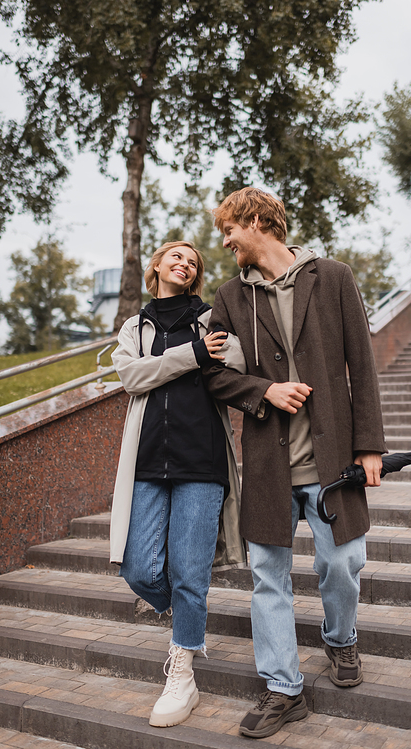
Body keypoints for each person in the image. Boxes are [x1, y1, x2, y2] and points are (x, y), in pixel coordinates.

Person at [202, 187, 387, 740]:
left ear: (256, 221)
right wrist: (264, 391)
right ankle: (283, 687)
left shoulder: (332, 276)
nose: (226, 240)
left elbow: (363, 362)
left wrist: (369, 445)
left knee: (342, 564)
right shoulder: (230, 296)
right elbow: (213, 373)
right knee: (268, 579)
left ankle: (340, 639)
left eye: (229, 229)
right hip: (268, 466)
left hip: (332, 462)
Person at [109, 240, 246, 728]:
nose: (185, 262)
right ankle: (192, 616)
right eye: (176, 255)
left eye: (193, 260)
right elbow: (131, 376)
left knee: (190, 573)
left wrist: (210, 351)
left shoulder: (212, 320)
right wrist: (191, 355)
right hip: (147, 462)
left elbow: (238, 365)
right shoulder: (135, 327)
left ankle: (183, 670)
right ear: (156, 266)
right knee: (138, 572)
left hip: (201, 462)